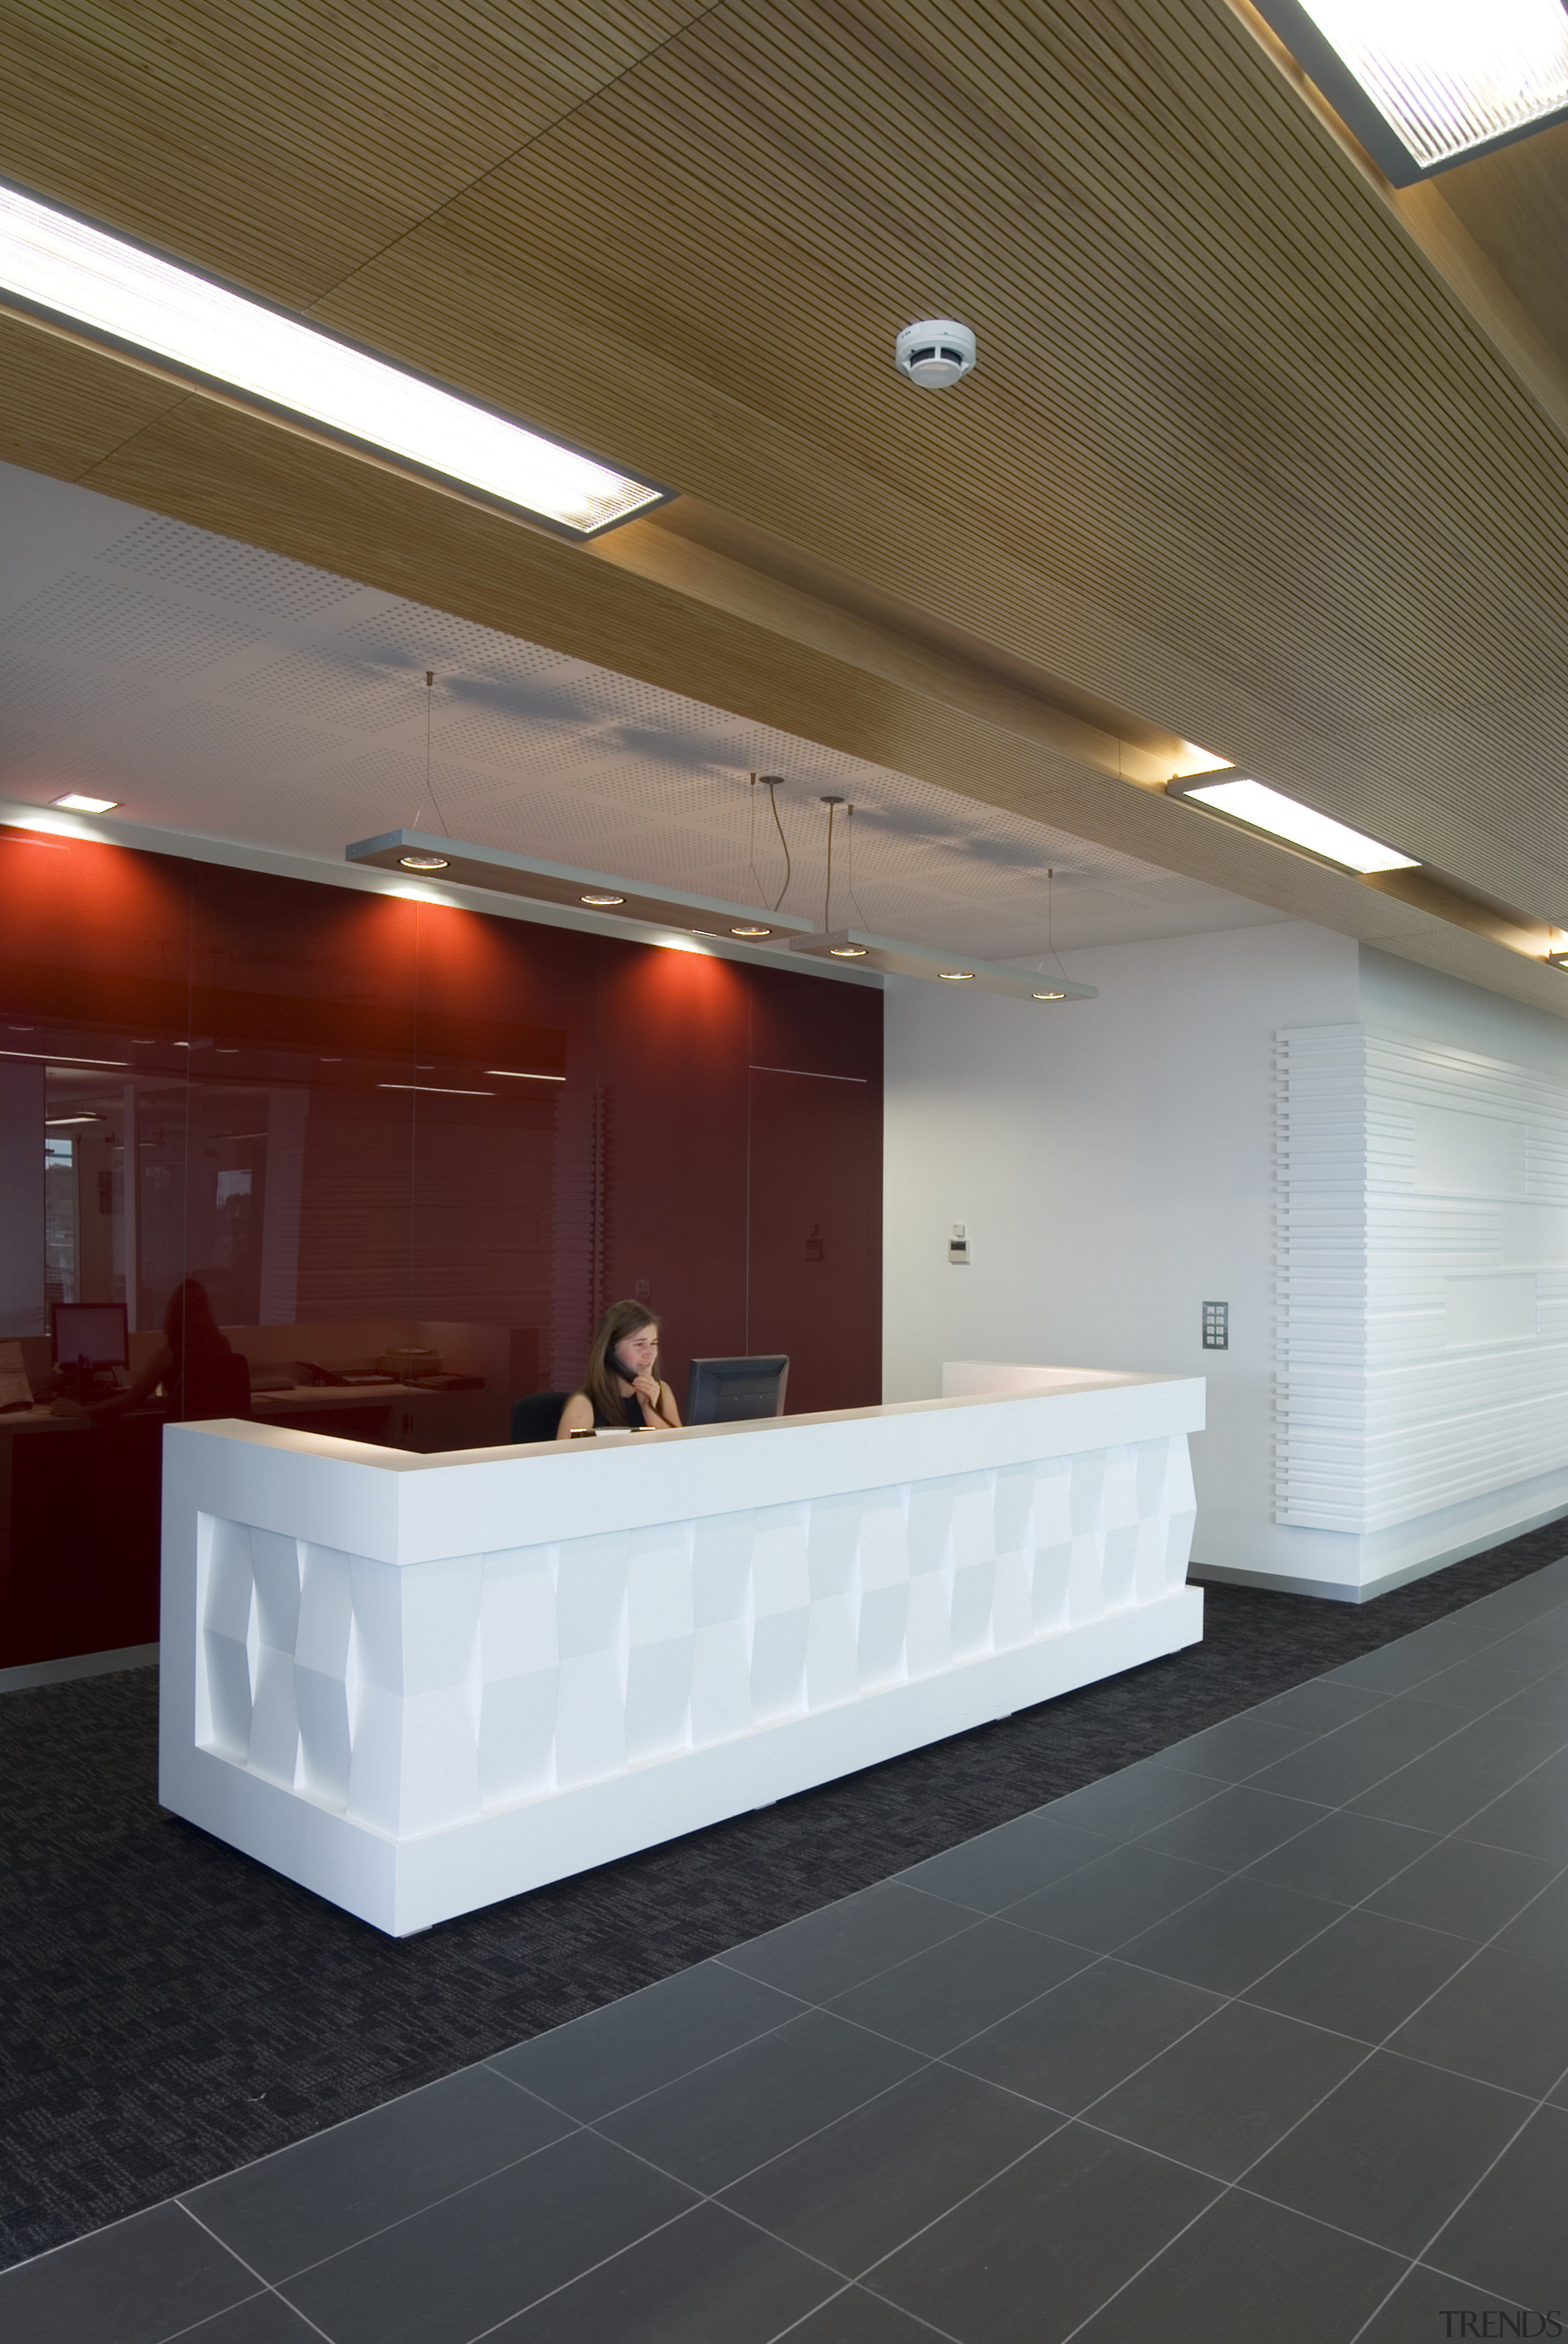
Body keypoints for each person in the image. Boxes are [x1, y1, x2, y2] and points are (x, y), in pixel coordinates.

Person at [52, 1279, 251, 1423]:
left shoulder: (170, 1353)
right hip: (220, 1443)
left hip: (182, 1443)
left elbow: (132, 1400)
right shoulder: (223, 1346)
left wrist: (83, 1411)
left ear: (173, 1314)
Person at [557, 1300, 682, 1437]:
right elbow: (564, 1459)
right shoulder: (583, 1406)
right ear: (610, 1351)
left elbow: (682, 1453)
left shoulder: (662, 1392)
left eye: (654, 1343)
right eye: (640, 1344)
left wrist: (649, 1409)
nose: (650, 1353)